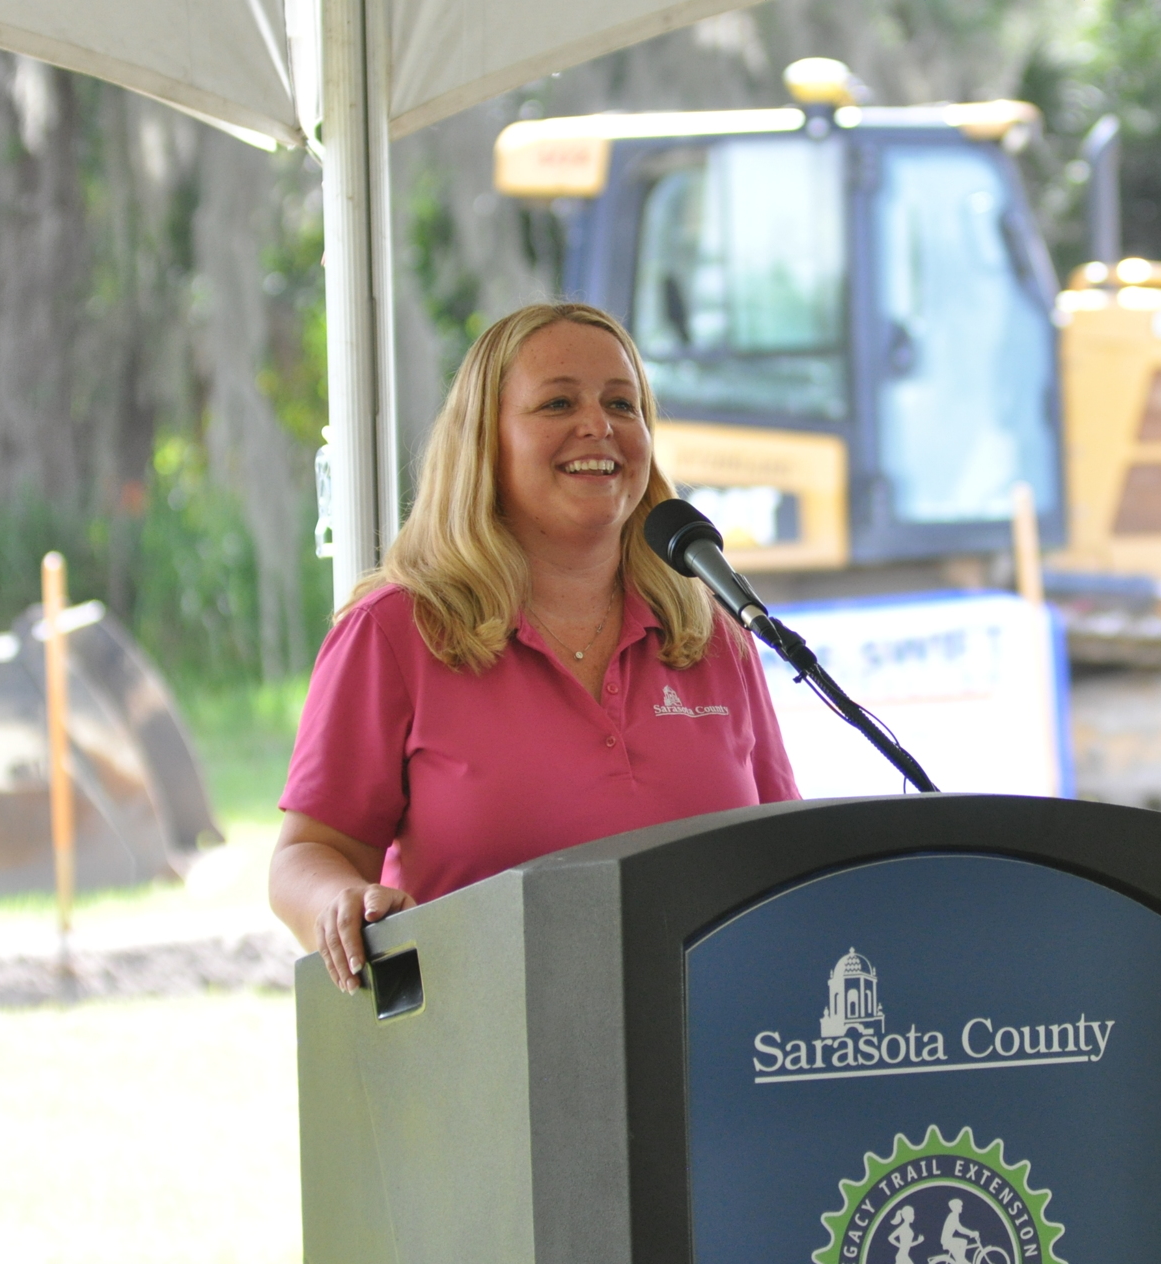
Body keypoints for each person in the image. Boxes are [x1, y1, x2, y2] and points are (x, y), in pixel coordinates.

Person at [270, 303, 799, 990]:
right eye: (557, 403)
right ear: (485, 442)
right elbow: (307, 855)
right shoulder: (396, 631)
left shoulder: (710, 631)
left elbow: (784, 855)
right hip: (489, 1048)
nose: (598, 426)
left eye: (622, 403)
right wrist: (339, 905)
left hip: (711, 1044)